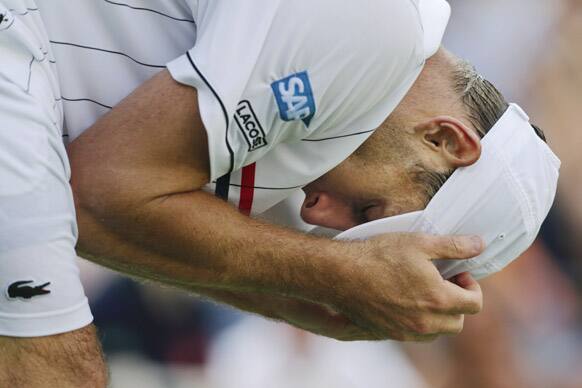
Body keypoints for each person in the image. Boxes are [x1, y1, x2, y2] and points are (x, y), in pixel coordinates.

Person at [0, 0, 558, 386]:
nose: (317, 211)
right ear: (443, 138)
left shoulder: (348, 98)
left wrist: (295, 303)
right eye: (367, 211)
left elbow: (105, 217)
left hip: (26, 77)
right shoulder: (379, 32)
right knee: (54, 370)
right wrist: (337, 276)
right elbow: (95, 194)